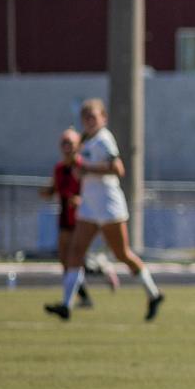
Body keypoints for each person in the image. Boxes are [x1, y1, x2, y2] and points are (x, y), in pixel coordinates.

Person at [45, 99, 164, 322]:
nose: (89, 121)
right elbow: (78, 168)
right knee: (74, 254)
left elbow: (118, 168)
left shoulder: (104, 140)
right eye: (85, 117)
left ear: (103, 118)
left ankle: (154, 294)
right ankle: (66, 305)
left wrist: (86, 168)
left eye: (93, 117)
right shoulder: (85, 141)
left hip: (109, 205)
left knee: (122, 254)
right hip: (89, 206)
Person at [39, 128, 120, 309]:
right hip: (65, 218)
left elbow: (95, 191)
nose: (66, 147)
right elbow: (55, 188)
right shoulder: (59, 168)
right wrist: (47, 192)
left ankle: (101, 271)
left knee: (75, 258)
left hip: (84, 218)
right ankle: (83, 296)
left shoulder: (84, 167)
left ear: (78, 146)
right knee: (66, 260)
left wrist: (80, 201)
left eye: (70, 143)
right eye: (64, 143)